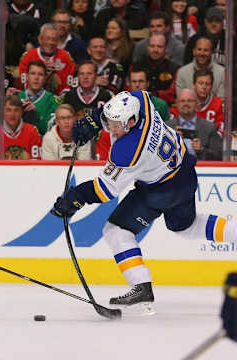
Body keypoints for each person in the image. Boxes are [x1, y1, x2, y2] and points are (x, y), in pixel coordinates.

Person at [51, 90, 237, 313]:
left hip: (160, 190)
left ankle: (140, 285)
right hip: (184, 173)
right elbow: (122, 102)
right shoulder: (141, 102)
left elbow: (104, 190)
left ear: (130, 121)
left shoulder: (128, 149)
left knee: (116, 230)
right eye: (110, 123)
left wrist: (75, 197)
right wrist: (96, 118)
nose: (111, 128)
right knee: (188, 226)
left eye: (115, 125)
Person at [19, 23, 76, 96]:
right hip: (33, 99)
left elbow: (68, 86)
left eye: (54, 39)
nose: (51, 42)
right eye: (47, 39)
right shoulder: (28, 57)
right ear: (40, 39)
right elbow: (24, 85)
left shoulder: (66, 57)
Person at [167, 88, 222, 160]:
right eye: (182, 101)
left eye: (190, 101)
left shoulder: (210, 128)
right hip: (174, 170)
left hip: (201, 170)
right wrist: (172, 142)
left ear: (196, 103)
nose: (186, 104)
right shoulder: (167, 127)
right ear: (176, 103)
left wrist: (201, 150)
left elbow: (219, 156)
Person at [0, 95, 41, 160]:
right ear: (3, 112)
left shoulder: (32, 131)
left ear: (21, 112)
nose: (12, 114)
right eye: (8, 110)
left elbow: (37, 159)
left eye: (16, 110)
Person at [132, 33, 179, 106]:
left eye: (159, 46)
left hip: (166, 107)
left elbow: (173, 94)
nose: (155, 50)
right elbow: (129, 89)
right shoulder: (136, 66)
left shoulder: (175, 68)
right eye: (152, 46)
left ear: (165, 48)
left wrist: (153, 95)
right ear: (147, 47)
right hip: (137, 104)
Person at [18, 60, 60, 135]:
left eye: (40, 74)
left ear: (45, 79)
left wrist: (36, 114)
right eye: (33, 73)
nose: (36, 78)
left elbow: (53, 132)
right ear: (27, 76)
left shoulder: (53, 101)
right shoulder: (17, 97)